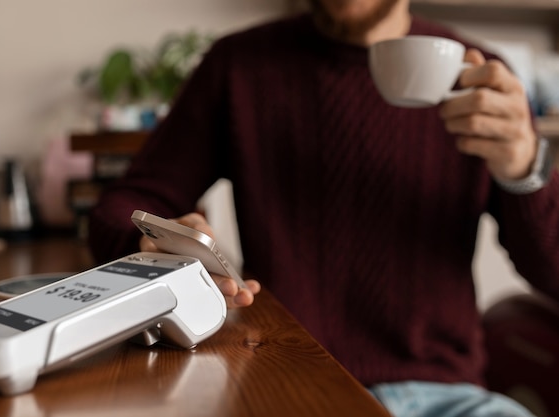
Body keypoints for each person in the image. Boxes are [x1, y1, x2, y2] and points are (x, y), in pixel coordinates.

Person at [88, 0, 559, 415]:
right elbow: (121, 207)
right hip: (286, 384)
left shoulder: (482, 81)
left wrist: (524, 170)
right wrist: (153, 245)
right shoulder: (240, 66)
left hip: (446, 396)